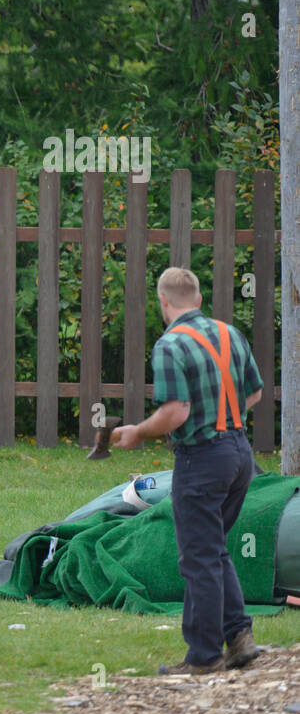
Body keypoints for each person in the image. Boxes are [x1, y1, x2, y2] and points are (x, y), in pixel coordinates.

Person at [111, 267, 264, 675]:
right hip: (240, 454)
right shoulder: (231, 333)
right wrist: (223, 418)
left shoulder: (170, 345)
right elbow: (255, 392)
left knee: (198, 557)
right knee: (214, 549)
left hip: (202, 460)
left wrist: (137, 433)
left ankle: (203, 657)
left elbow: (175, 412)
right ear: (197, 298)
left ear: (164, 302)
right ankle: (240, 638)